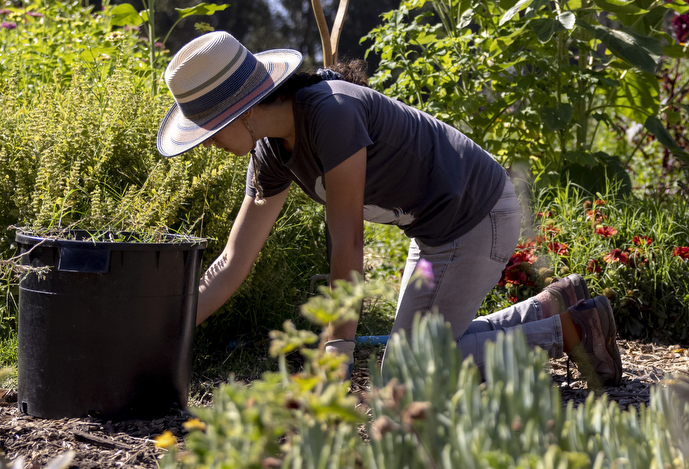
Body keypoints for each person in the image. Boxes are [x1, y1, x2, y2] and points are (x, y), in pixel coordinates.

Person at [155, 30, 623, 387]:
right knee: (415, 354)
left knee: (407, 372)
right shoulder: (272, 151)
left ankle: (573, 331)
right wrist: (162, 332)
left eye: (209, 130)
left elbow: (349, 241)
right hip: (438, 233)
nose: (209, 143)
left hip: (478, 217)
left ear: (243, 110)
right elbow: (232, 262)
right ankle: (551, 306)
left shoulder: (330, 113)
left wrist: (338, 345)